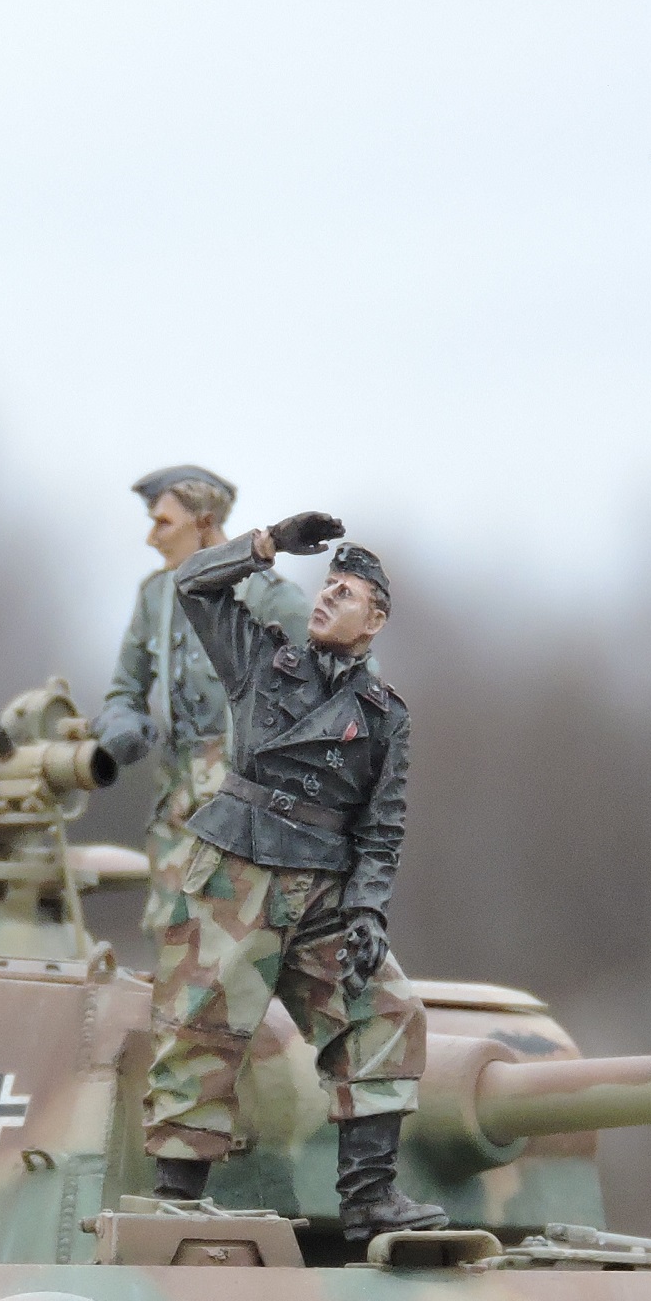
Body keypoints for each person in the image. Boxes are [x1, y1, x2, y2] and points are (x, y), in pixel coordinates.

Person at [142, 510, 447, 1243]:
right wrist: (267, 544)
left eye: (345, 593)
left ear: (374, 621)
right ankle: (174, 1202)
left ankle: (369, 1198)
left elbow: (381, 827)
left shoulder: (384, 716)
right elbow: (192, 585)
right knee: (203, 1026)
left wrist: (368, 912)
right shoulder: (261, 660)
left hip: (322, 891)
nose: (325, 597)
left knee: (385, 1011)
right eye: (325, 585)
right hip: (238, 870)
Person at [94, 465, 309, 902]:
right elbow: (125, 689)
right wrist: (121, 723)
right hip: (178, 799)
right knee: (169, 922)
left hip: (249, 805)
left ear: (205, 523)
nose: (152, 538)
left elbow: (333, 688)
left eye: (164, 523)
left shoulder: (271, 598)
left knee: (239, 924)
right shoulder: (156, 597)